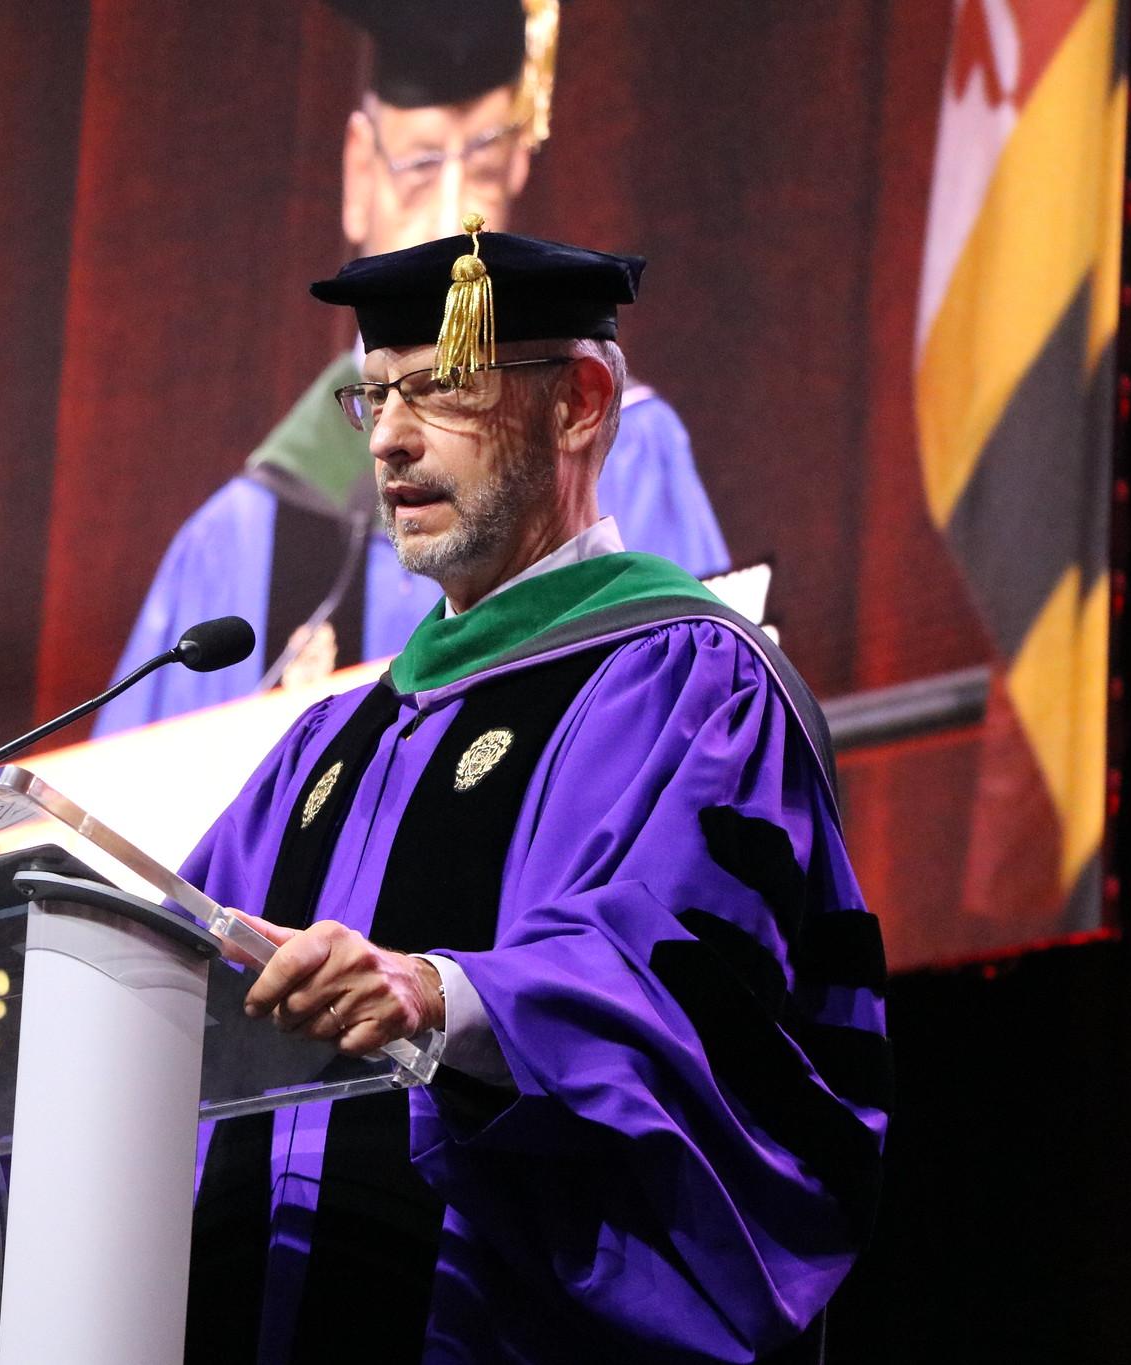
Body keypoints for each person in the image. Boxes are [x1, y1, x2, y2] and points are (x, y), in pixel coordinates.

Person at [178, 223, 886, 1362]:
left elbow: (689, 991)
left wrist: (445, 996)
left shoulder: (689, 684)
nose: (392, 442)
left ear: (581, 403)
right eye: (374, 399)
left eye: (441, 391)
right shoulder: (325, 745)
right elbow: (170, 959)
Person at [97, 0, 728, 735]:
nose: (461, 215)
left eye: (487, 168)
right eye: (422, 167)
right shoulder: (240, 536)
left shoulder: (621, 448)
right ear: (359, 172)